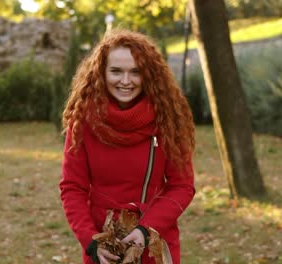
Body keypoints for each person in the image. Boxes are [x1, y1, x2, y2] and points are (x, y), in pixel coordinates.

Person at [59, 29, 196, 264]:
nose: (125, 81)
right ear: (101, 73)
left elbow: (182, 186)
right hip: (103, 244)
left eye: (135, 72)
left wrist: (146, 229)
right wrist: (91, 240)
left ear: (149, 75)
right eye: (116, 71)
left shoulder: (168, 119)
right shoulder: (83, 120)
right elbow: (73, 187)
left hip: (154, 239)